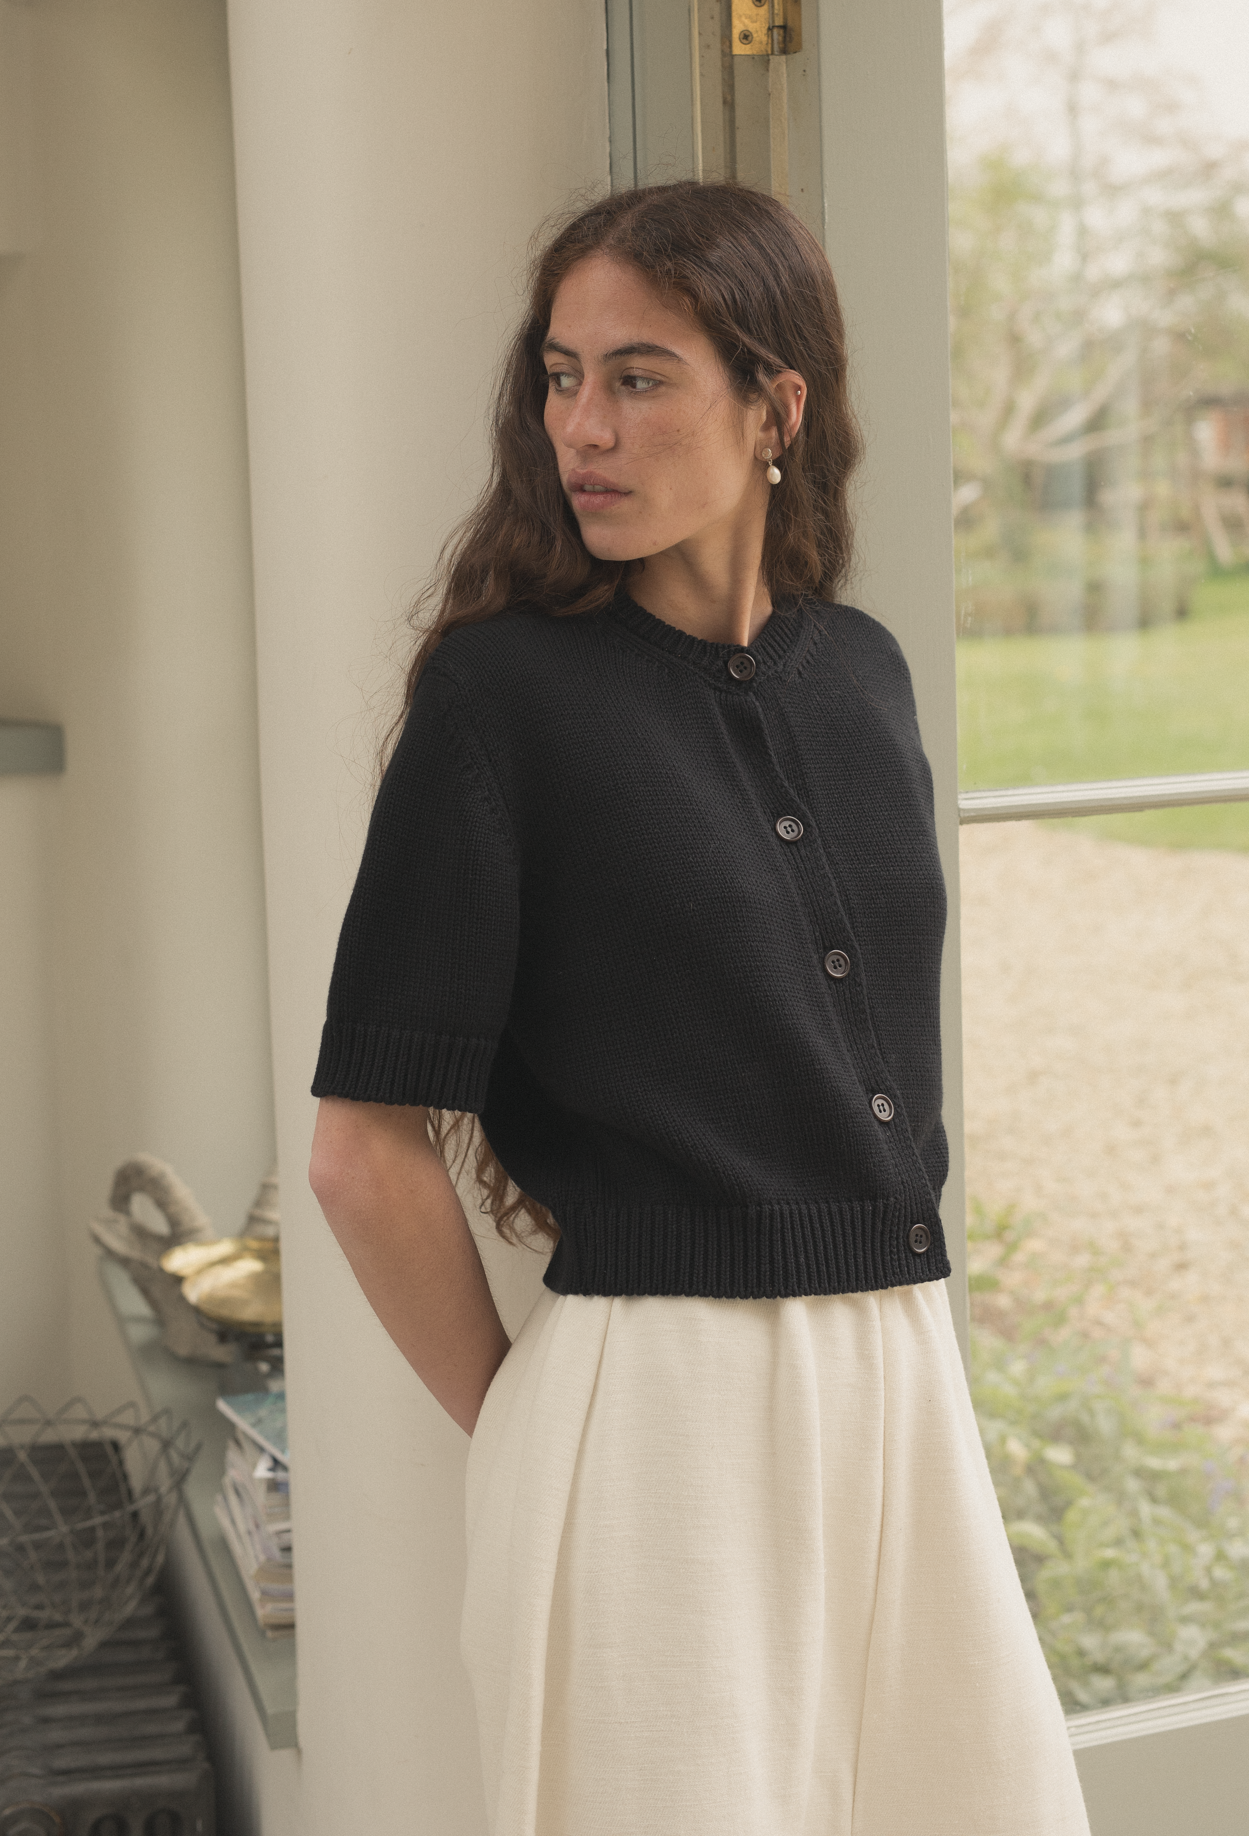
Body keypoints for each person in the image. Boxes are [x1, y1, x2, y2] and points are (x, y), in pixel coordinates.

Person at [307, 181, 1090, 1836]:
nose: (582, 425)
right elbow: (361, 1150)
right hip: (652, 1419)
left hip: (899, 1373)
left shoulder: (862, 675)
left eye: (641, 376)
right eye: (562, 373)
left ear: (775, 406)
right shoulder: (502, 697)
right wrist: (522, 1418)